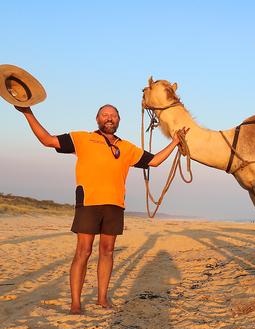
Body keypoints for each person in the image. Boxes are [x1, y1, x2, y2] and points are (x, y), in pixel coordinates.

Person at [15, 104, 188, 314]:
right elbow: (47, 140)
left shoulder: (127, 147)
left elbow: (154, 161)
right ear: (97, 118)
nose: (109, 118)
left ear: (119, 120)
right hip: (89, 202)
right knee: (83, 251)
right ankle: (76, 303)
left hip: (115, 205)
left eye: (114, 115)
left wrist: (175, 142)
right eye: (105, 115)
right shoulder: (82, 138)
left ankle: (102, 298)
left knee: (107, 251)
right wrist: (27, 112)